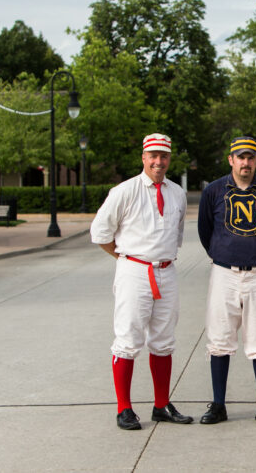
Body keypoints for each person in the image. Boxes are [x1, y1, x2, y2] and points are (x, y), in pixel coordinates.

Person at [91, 133, 193, 430]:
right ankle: (124, 408)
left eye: (164, 156)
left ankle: (161, 404)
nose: (158, 162)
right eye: (153, 156)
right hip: (134, 269)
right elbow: (100, 234)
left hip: (166, 270)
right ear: (143, 157)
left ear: (169, 159)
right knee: (128, 339)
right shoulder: (124, 191)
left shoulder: (177, 193)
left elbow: (177, 233)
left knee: (163, 340)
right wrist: (126, 260)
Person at [197, 136, 256, 426]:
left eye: (250, 157)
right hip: (224, 272)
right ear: (230, 160)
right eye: (240, 157)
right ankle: (218, 404)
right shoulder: (214, 190)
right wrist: (221, 254)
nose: (245, 163)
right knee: (220, 337)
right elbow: (205, 230)